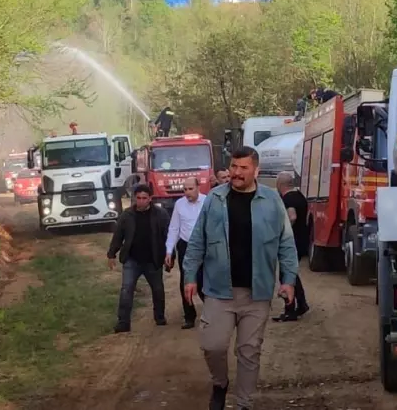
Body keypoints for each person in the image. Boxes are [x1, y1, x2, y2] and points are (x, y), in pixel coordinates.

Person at [183, 146, 299, 410]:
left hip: (256, 292)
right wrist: (189, 276)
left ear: (256, 170)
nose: (236, 173)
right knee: (213, 345)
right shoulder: (215, 198)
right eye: (233, 167)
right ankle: (220, 383)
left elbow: (286, 243)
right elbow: (197, 240)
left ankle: (244, 403)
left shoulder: (271, 200)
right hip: (218, 290)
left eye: (243, 168)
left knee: (249, 351)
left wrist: (288, 280)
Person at [107, 184, 170, 333]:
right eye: (138, 198)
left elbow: (168, 236)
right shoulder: (127, 215)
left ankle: (160, 317)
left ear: (150, 199)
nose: (141, 201)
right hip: (132, 259)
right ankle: (123, 323)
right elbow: (118, 236)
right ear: (134, 198)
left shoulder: (160, 215)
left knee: (158, 289)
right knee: (126, 289)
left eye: (144, 198)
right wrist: (111, 254)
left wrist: (169, 255)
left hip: (152, 259)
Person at [165, 177, 208, 329]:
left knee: (204, 280)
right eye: (185, 189)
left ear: (198, 187)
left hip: (205, 246)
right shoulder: (179, 204)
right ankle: (189, 316)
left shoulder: (207, 202)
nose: (187, 192)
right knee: (185, 280)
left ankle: (212, 312)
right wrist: (169, 250)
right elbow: (174, 228)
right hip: (185, 246)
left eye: (190, 189)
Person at [273, 171, 309, 322]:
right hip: (302, 240)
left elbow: (292, 216)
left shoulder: (288, 199)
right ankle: (301, 304)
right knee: (292, 273)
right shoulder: (300, 196)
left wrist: (284, 231)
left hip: (292, 242)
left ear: (280, 184)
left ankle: (290, 309)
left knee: (286, 275)